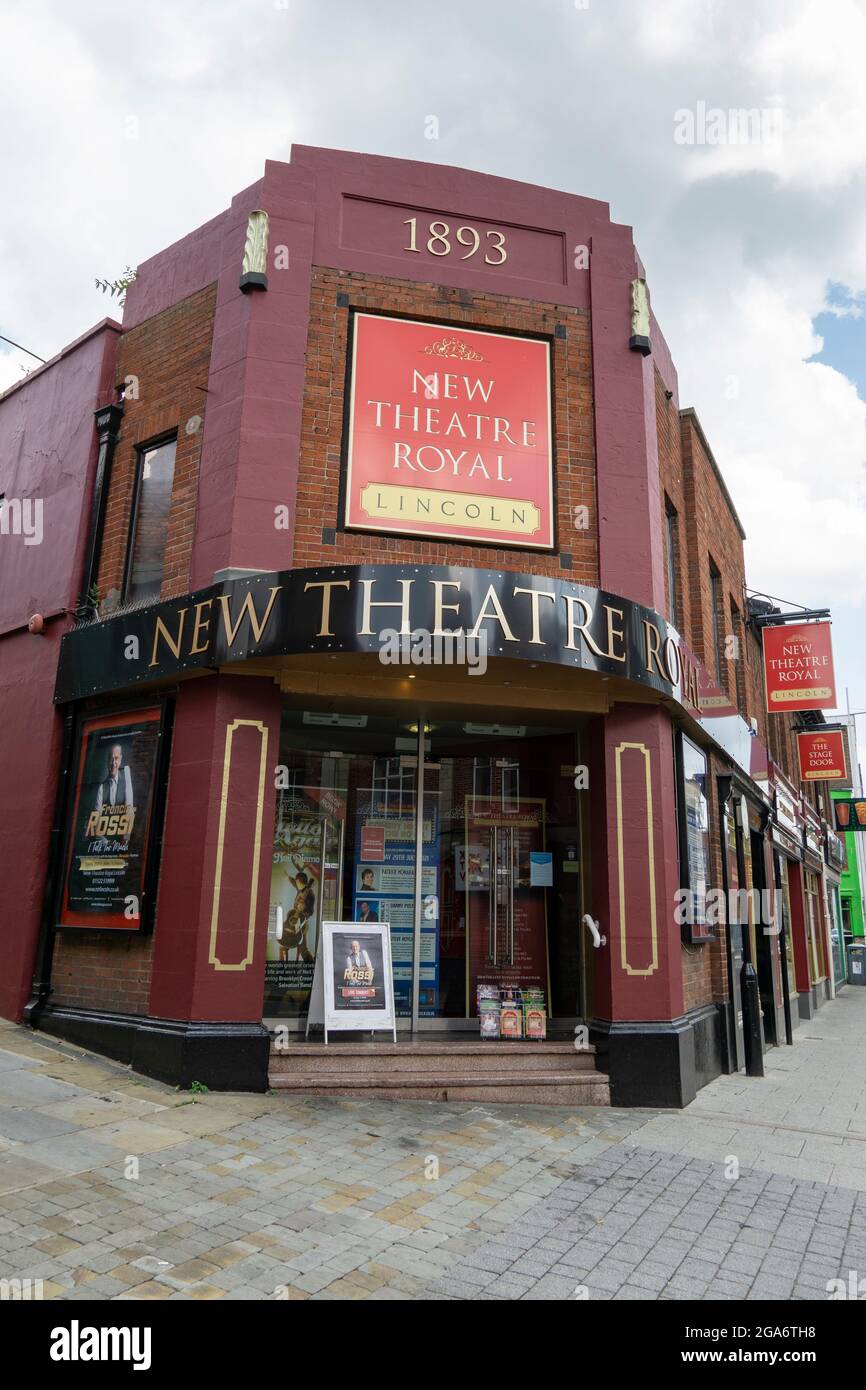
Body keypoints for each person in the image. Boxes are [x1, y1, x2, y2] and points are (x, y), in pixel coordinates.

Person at [94, 743, 134, 811]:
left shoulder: (126, 775)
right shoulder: (102, 787)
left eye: (116, 758)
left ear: (120, 759)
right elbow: (96, 815)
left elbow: (129, 808)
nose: (113, 763)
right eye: (111, 759)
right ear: (107, 761)